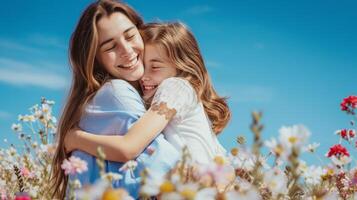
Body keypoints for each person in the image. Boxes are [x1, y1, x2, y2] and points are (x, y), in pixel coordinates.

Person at [50, 1, 179, 199]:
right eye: (111, 47)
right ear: (95, 59)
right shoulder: (117, 93)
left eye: (130, 36)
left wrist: (76, 139)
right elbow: (165, 165)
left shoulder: (102, 98)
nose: (127, 50)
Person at [65, 22, 231, 166]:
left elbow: (129, 147)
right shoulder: (186, 96)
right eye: (143, 65)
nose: (144, 76)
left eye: (156, 67)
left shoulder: (174, 88)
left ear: (181, 67)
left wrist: (75, 139)